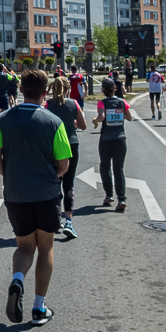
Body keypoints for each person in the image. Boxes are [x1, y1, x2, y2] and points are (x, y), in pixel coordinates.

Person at [0, 69, 73, 326]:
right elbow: (64, 164)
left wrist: (12, 176)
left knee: (24, 246)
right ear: (45, 92)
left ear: (21, 90)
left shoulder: (4, 119)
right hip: (46, 194)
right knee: (45, 246)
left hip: (16, 195)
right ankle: (39, 308)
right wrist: (52, 176)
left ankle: (17, 280)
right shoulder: (53, 122)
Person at [45, 76, 87, 239]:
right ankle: (68, 221)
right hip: (71, 144)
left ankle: (55, 219)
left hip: (53, 146)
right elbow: (83, 125)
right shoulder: (74, 104)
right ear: (68, 89)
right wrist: (73, 123)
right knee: (69, 184)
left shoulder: (47, 105)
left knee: (55, 182)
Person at [93, 77, 133, 212]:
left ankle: (109, 195)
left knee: (105, 167)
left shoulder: (102, 103)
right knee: (118, 169)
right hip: (120, 139)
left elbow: (101, 117)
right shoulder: (122, 102)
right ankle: (122, 198)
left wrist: (95, 120)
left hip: (106, 140)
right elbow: (129, 118)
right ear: (115, 89)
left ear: (103, 90)